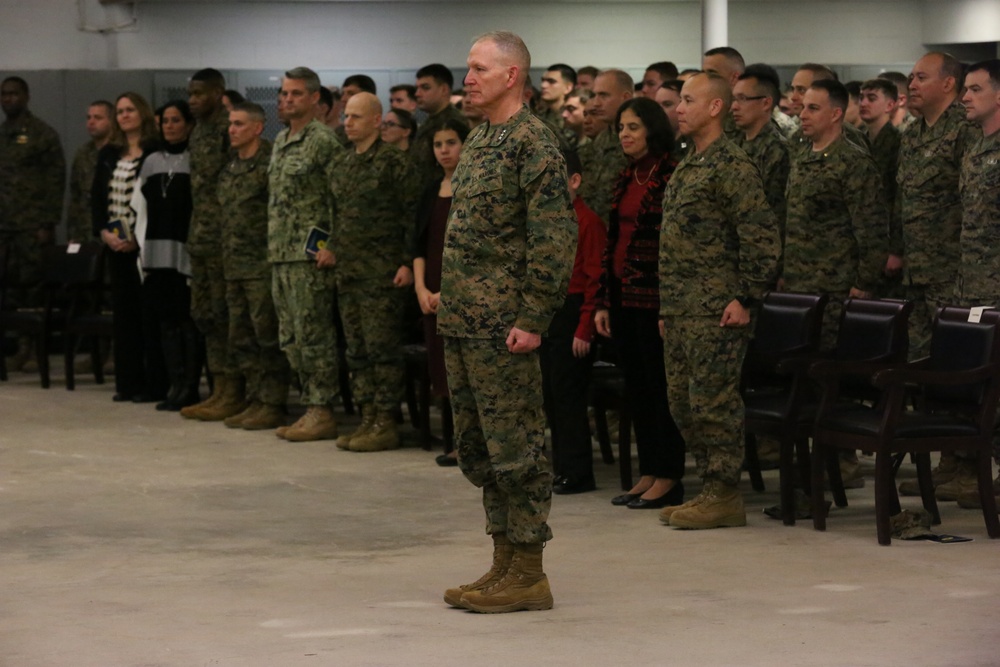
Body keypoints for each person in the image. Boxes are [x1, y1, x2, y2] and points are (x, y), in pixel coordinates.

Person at [439, 31, 575, 614]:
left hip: (504, 326)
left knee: (517, 448)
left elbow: (554, 238)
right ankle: (502, 562)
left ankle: (530, 571)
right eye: (468, 69)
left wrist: (533, 316)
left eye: (477, 69)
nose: (467, 78)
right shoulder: (480, 139)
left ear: (511, 75)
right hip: (464, 320)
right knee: (482, 449)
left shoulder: (533, 143)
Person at [656, 72, 781, 530]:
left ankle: (724, 492)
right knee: (683, 404)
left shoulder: (732, 165)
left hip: (718, 309)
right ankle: (709, 486)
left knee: (714, 403)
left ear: (714, 108)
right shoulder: (689, 162)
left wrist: (746, 297)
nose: (679, 108)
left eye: (688, 100)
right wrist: (669, 308)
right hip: (684, 308)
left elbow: (761, 238)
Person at [592, 97, 685, 509]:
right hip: (622, 295)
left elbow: (674, 245)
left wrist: (669, 303)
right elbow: (612, 240)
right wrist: (603, 302)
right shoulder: (627, 176)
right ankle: (648, 471)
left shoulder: (670, 174)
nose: (625, 135)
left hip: (654, 298)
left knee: (660, 389)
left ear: (652, 129)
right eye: (621, 129)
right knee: (639, 390)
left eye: (632, 127)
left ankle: (669, 475)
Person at [328, 92, 419, 452]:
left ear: (376, 121)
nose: (347, 122)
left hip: (383, 273)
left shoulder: (395, 164)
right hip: (349, 271)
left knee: (383, 350)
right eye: (346, 116)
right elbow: (337, 216)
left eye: (355, 117)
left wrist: (407, 261)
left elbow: (412, 216)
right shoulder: (341, 164)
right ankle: (367, 416)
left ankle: (386, 419)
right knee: (357, 350)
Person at [268, 67, 343, 442]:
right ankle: (308, 404)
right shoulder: (281, 140)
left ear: (315, 98)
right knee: (290, 338)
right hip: (280, 253)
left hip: (309, 256)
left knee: (314, 335)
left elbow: (340, 198)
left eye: (296, 94)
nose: (287, 100)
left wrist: (333, 246)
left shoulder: (323, 141)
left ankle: (322, 409)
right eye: (284, 94)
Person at [216, 102, 290, 431]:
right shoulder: (231, 167)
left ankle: (273, 402)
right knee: (241, 337)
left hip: (261, 266)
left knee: (267, 337)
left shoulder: (270, 163)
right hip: (233, 267)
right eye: (230, 124)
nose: (232, 129)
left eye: (239, 124)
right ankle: (256, 398)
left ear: (257, 128)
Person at [180, 68, 243, 422]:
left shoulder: (225, 128)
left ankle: (233, 389)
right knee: (204, 314)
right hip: (200, 234)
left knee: (224, 315)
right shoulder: (199, 130)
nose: (192, 99)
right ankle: (219, 386)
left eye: (199, 93)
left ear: (218, 93)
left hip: (224, 237)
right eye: (190, 93)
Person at [541, 147, 606, 495]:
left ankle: (578, 471)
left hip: (574, 313)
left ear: (574, 181)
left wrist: (585, 327)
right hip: (551, 313)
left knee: (569, 397)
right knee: (551, 394)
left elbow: (594, 279)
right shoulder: (548, 221)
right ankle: (562, 466)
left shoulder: (588, 222)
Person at [131, 100, 201, 412]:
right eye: (165, 121)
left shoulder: (196, 159)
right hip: (157, 250)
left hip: (185, 248)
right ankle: (174, 384)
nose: (170, 126)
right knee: (166, 320)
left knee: (187, 319)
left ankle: (190, 387)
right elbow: (140, 208)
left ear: (188, 123)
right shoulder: (150, 161)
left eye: (176, 120)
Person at [91, 92, 161, 402]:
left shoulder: (155, 151)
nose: (124, 115)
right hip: (114, 243)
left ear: (142, 113)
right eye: (119, 111)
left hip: (144, 244)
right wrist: (105, 233)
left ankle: (152, 383)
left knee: (148, 314)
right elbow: (96, 200)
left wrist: (137, 237)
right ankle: (128, 382)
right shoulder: (109, 153)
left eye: (130, 109)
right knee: (124, 315)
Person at [953, 59, 1000, 510]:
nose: (965, 97)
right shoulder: (974, 147)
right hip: (975, 288)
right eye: (964, 88)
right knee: (986, 389)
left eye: (975, 89)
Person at [413, 118, 470, 466]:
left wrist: (451, 292)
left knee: (465, 372)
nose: (445, 150)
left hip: (461, 294)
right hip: (431, 294)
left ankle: (470, 444)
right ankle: (455, 441)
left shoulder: (471, 190)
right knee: (443, 372)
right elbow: (418, 245)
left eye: (451, 142)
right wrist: (421, 289)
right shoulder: (429, 190)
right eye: (438, 145)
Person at [0, 76, 66, 371]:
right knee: (10, 288)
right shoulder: (2, 134)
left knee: (34, 287)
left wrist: (47, 222)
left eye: (14, 93)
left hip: (31, 225)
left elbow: (55, 181)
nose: (8, 99)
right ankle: (18, 346)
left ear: (26, 96)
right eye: (4, 95)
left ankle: (36, 349)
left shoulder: (43, 134)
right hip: (4, 226)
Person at [731, 66, 790, 238]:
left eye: (742, 99)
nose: (734, 106)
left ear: (766, 103)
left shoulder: (777, 149)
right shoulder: (736, 144)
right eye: (734, 99)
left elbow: (774, 213)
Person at [579, 69, 632, 223]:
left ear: (626, 98)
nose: (596, 103)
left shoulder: (638, 142)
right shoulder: (595, 145)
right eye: (594, 95)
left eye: (604, 96)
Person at [67, 100, 114, 243]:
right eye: (89, 118)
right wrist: (72, 234)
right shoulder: (83, 153)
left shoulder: (119, 151)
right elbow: (75, 196)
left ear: (112, 121)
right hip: (86, 230)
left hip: (112, 227)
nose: (91, 122)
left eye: (98, 118)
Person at [412, 64, 467, 182]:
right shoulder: (429, 121)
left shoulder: (455, 123)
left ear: (444, 90)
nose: (417, 93)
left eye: (425, 87)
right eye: (417, 88)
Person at [537, 63, 576, 129]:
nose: (543, 85)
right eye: (543, 80)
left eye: (551, 81)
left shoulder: (573, 118)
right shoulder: (540, 115)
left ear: (568, 88)